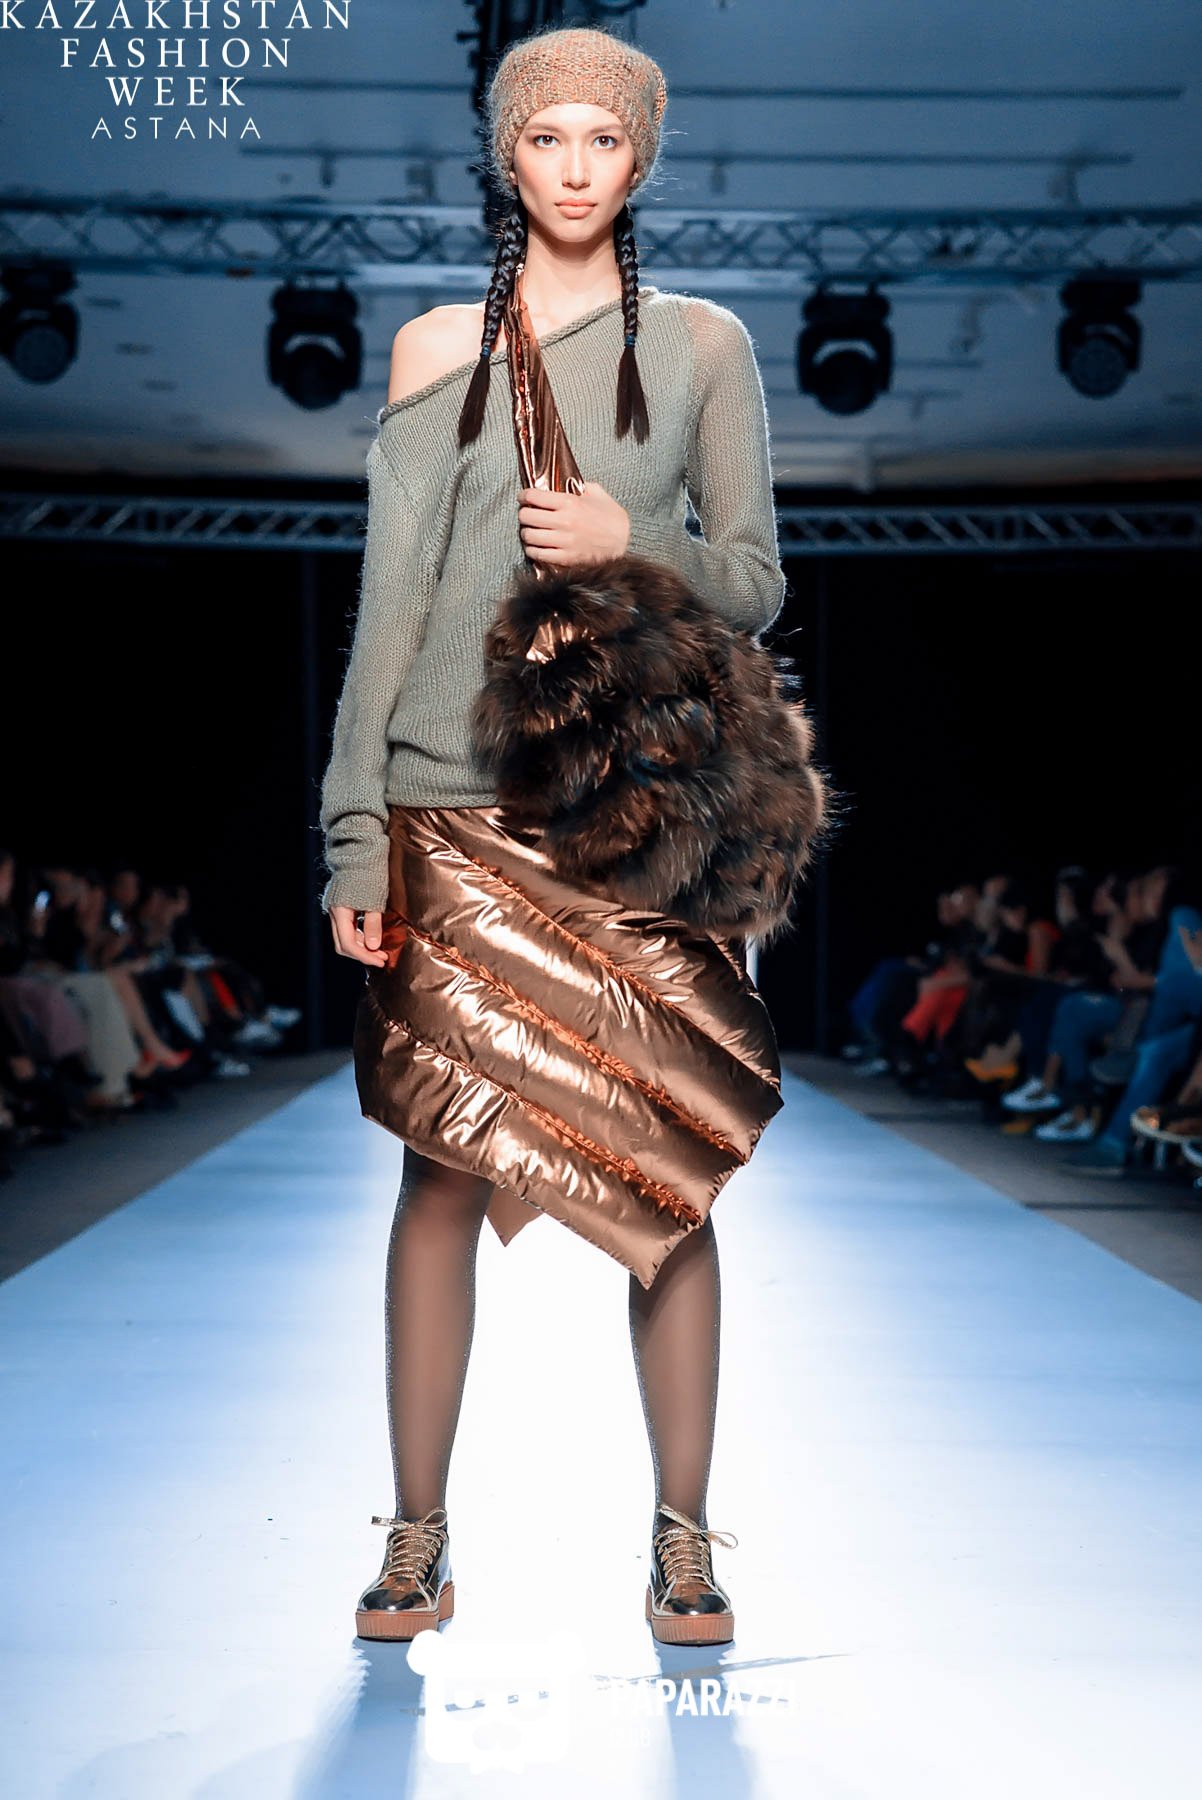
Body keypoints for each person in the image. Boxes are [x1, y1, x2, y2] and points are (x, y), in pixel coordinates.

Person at [318, 26, 793, 1649]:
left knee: (671, 1176)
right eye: (546, 138)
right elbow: (387, 613)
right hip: (449, 809)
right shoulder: (433, 347)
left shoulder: (706, 346)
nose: (575, 167)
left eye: (603, 139)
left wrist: (626, 534)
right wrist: (354, 832)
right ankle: (416, 1540)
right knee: (437, 1174)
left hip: (628, 819)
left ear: (639, 160)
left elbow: (754, 582)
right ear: (505, 157)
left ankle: (681, 1540)